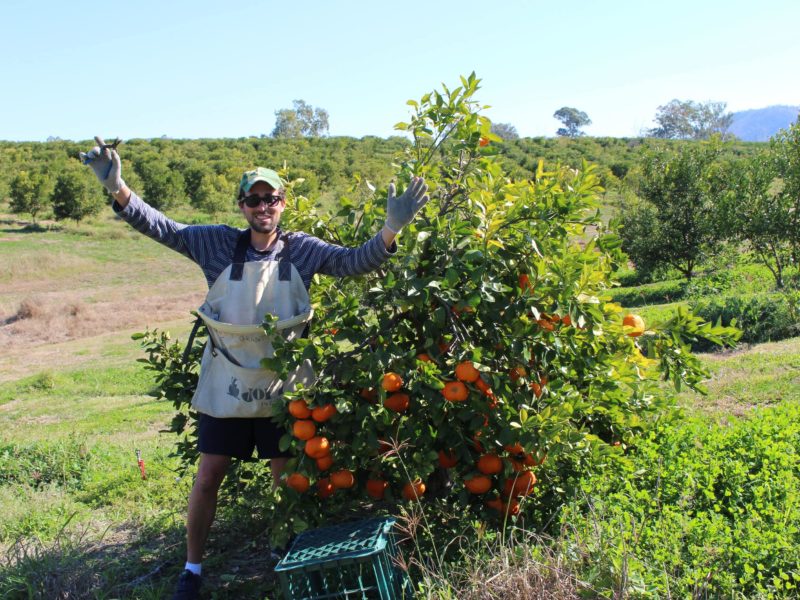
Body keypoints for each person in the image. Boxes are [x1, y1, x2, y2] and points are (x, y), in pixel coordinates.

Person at [80, 136, 429, 600]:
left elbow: (353, 263)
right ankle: (192, 568)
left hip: (283, 390)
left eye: (272, 198)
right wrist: (119, 189)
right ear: (243, 206)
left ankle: (283, 554)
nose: (264, 206)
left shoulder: (303, 250)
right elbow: (163, 227)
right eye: (255, 199)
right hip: (227, 384)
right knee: (208, 477)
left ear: (283, 204)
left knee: (285, 480)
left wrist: (389, 231)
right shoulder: (217, 245)